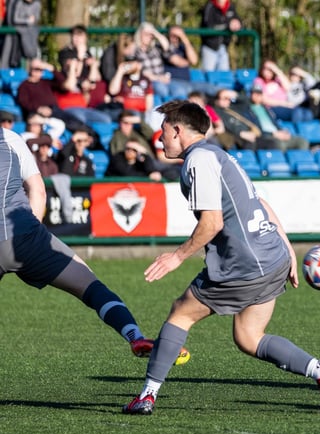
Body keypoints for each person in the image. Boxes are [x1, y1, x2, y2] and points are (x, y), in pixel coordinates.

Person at [121, 99, 320, 415]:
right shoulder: (220, 155)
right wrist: (289, 252)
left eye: (162, 131)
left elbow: (211, 222)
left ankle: (147, 395)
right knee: (249, 337)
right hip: (272, 258)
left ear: (176, 129)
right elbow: (260, 204)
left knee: (180, 314)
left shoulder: (197, 161)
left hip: (243, 264)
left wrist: (177, 256)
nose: (159, 138)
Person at [0, 126, 189, 365]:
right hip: (25, 237)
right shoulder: (9, 138)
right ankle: (134, 336)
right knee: (91, 287)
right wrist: (30, 238)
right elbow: (38, 191)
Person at [199, 0, 242, 72]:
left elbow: (237, 20)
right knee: (208, 74)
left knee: (224, 76)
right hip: (209, 47)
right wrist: (228, 26)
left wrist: (237, 24)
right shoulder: (210, 6)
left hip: (224, 47)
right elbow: (209, 25)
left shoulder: (230, 6)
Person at [0, 0, 41, 68]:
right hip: (11, 33)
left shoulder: (37, 4)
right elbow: (14, 19)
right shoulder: (16, 3)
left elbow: (36, 19)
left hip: (26, 36)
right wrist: (27, 20)